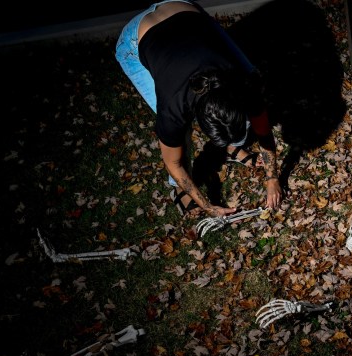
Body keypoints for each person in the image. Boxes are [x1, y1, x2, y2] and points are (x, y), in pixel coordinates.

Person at [115, 0, 282, 218]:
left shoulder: (245, 83)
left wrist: (273, 178)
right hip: (135, 40)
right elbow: (173, 162)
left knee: (250, 73)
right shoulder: (174, 108)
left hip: (182, 8)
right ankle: (178, 190)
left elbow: (263, 130)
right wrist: (206, 205)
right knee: (178, 137)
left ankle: (230, 147)